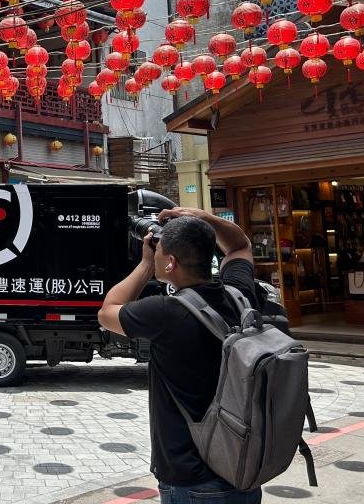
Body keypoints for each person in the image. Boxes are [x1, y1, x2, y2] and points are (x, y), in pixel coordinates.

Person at [98, 207, 260, 504]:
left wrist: (146, 265)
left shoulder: (165, 313)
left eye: (160, 253)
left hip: (193, 481)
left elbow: (107, 312)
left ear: (170, 262)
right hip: (244, 467)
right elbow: (239, 246)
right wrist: (204, 218)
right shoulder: (240, 295)